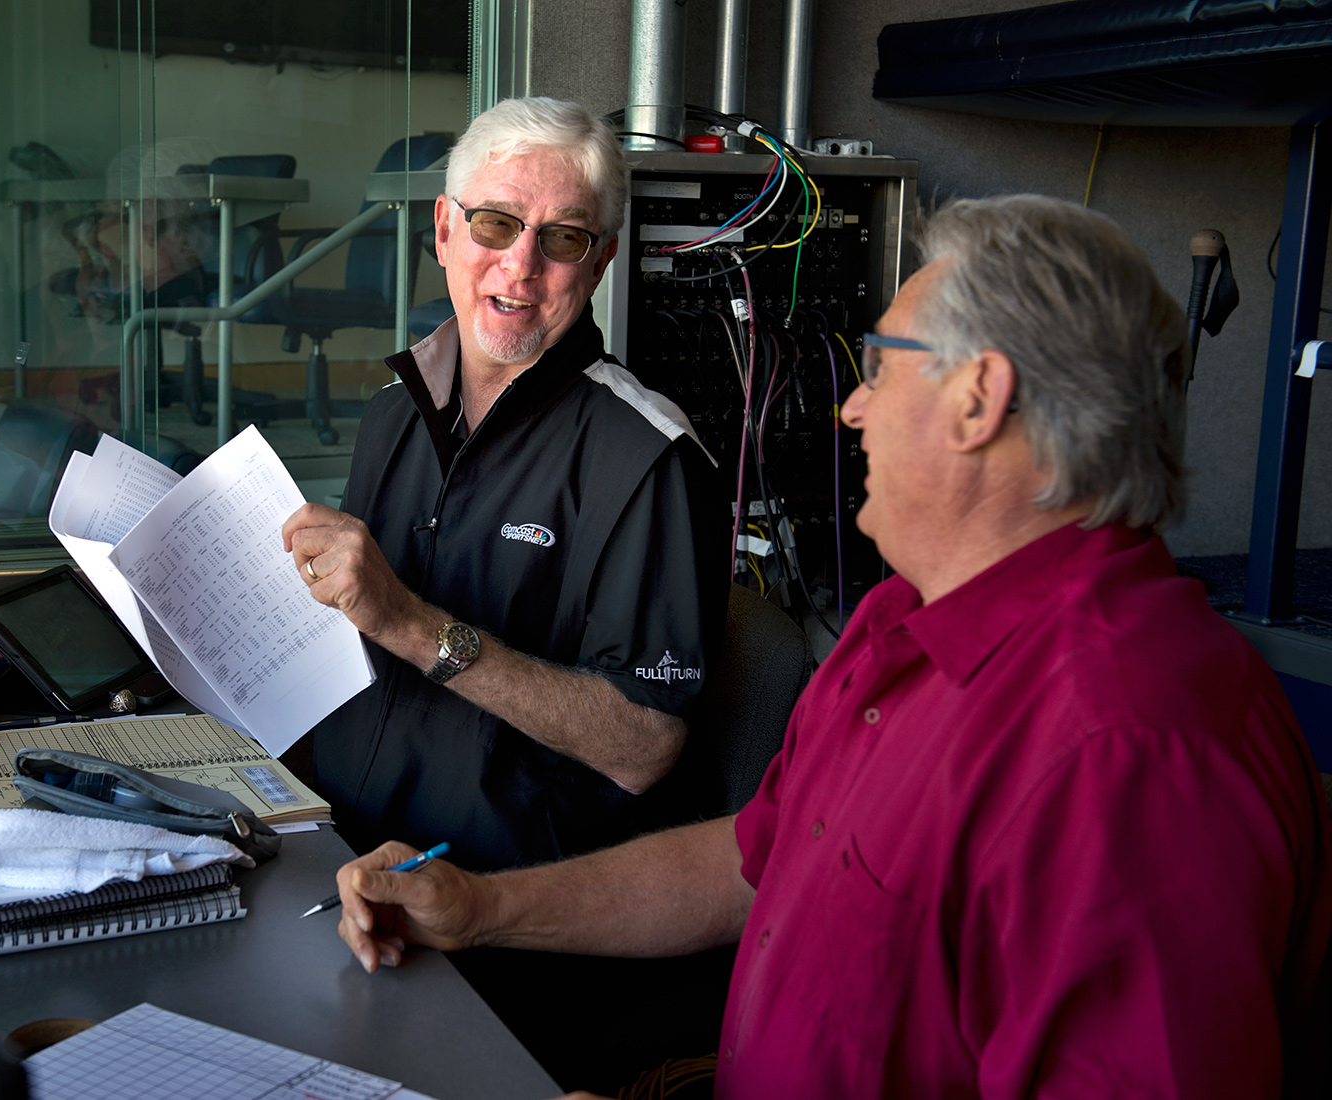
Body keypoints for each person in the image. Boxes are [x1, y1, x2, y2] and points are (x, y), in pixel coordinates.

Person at [329, 195, 1332, 1099]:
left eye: (881, 363)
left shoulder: (1126, 750)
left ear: (978, 397)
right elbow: (752, 859)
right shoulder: (901, 622)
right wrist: (481, 904)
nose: (850, 405)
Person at [280, 98, 724, 872]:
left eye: (563, 238)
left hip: (500, 912)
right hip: (331, 845)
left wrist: (410, 626)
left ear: (602, 260)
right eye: (496, 225)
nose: (521, 266)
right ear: (446, 231)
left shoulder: (648, 458)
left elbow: (645, 746)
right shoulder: (393, 411)